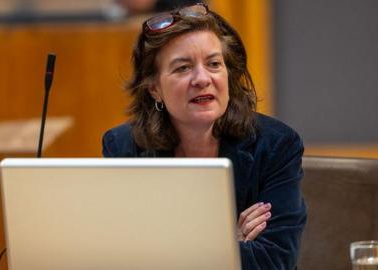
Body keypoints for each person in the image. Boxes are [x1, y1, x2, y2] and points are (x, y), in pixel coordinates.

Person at [102, 3, 307, 269]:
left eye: (213, 64)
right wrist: (225, 244)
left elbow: (274, 260)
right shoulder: (124, 147)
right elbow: (120, 257)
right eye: (183, 68)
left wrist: (168, 250)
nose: (202, 78)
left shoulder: (276, 145)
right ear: (154, 89)